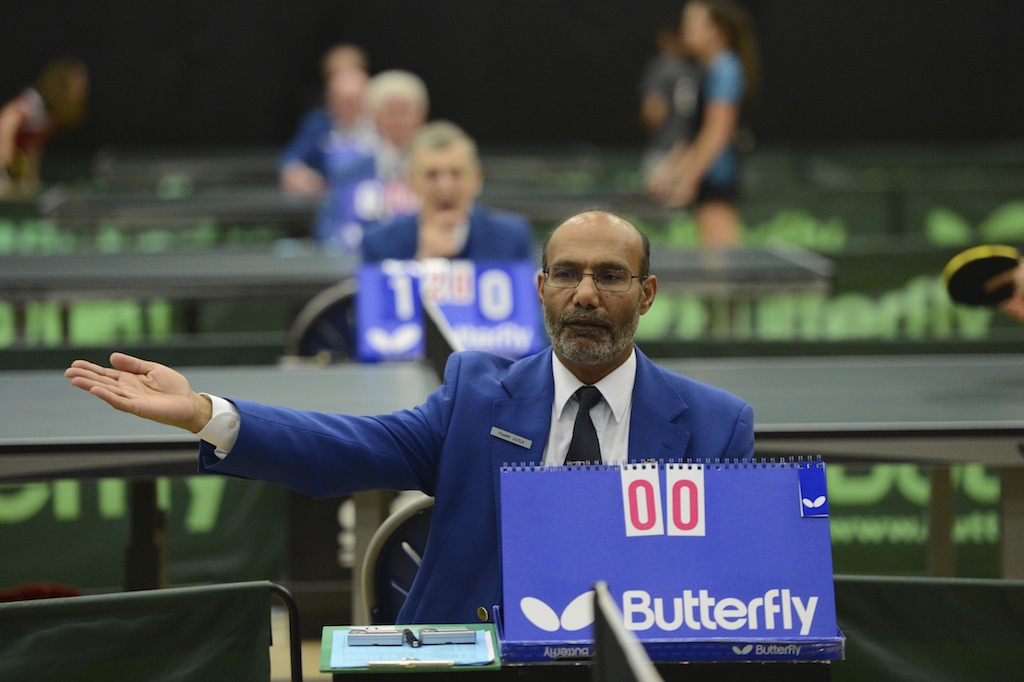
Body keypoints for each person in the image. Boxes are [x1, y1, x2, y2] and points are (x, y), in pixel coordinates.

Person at [64, 210, 755, 624]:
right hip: (486, 657)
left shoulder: (716, 426)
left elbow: (731, 593)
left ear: (648, 293)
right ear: (541, 290)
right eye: (567, 275)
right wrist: (204, 413)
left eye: (609, 276)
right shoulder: (477, 394)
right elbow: (347, 448)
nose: (585, 294)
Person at [646, 0, 759, 248]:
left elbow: (718, 131)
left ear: (717, 31)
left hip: (719, 178)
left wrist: (688, 180)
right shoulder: (704, 69)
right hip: (710, 178)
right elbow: (695, 133)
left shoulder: (725, 68)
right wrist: (673, 171)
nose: (685, 28)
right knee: (712, 258)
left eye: (693, 23)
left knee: (722, 259)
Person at [362, 120, 534, 262]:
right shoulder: (380, 245)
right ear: (411, 181)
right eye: (432, 175)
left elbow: (526, 302)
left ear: (476, 178)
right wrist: (421, 263)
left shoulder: (511, 238)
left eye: (456, 174)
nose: (445, 186)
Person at [313, 69, 429, 249]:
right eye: (391, 112)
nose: (399, 121)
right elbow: (327, 229)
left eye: (405, 111)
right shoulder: (349, 171)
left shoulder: (439, 172)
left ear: (421, 117)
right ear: (375, 118)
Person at [278, 44, 377, 198]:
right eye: (342, 101)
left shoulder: (382, 122)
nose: (348, 108)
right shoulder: (318, 124)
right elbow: (292, 158)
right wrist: (296, 173)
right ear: (330, 97)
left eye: (353, 101)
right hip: (329, 198)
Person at [0, 58, 89, 198]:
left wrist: (32, 182)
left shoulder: (52, 116)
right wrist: (8, 170)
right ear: (62, 84)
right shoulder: (34, 100)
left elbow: (33, 148)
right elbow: (6, 124)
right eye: (77, 85)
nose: (82, 91)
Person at [637, 23, 701, 182]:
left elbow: (653, 112)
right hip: (690, 151)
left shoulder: (660, 67)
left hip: (664, 151)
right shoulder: (694, 68)